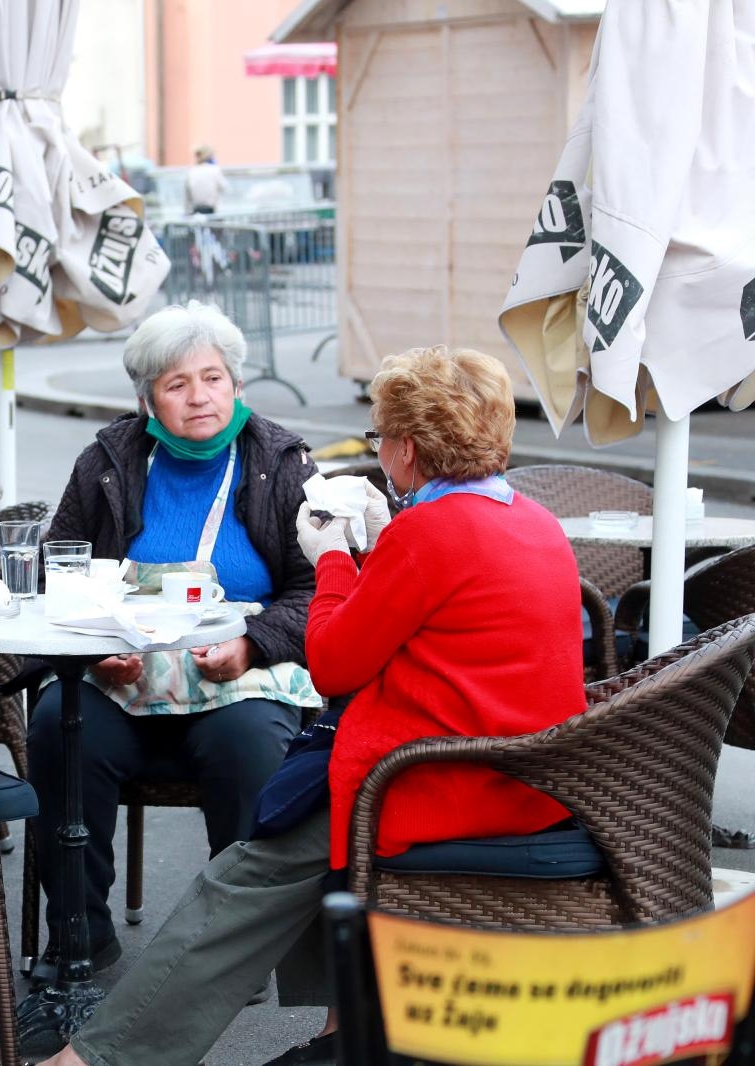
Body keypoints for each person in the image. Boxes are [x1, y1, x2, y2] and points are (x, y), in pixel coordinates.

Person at [38, 345, 587, 1066]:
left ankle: (95, 1060)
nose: (379, 449)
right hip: (525, 774)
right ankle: (337, 1038)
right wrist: (379, 551)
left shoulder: (432, 532)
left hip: (438, 782)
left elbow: (332, 662)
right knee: (285, 812)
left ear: (409, 449)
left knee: (242, 878)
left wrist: (333, 556)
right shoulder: (531, 519)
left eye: (381, 436)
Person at [28, 300, 320, 982]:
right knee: (57, 730)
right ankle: (80, 940)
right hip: (121, 673)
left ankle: (233, 950)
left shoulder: (282, 462)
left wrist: (253, 644)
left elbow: (318, 589)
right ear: (147, 399)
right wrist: (93, 648)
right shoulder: (108, 461)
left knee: (250, 746)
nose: (200, 397)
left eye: (214, 378)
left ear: (238, 386)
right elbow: (55, 572)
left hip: (236, 673)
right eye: (178, 383)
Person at [184, 145, 227, 215]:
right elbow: (224, 188)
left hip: (196, 212)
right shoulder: (214, 170)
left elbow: (187, 197)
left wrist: (187, 213)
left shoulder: (191, 172)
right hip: (211, 211)